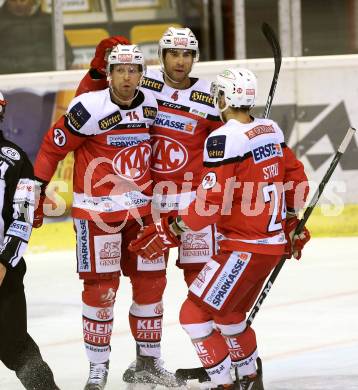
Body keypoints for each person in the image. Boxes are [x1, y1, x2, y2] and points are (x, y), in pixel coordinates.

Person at [129, 68, 311, 389]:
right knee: (230, 317)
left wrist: (173, 229)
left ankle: (223, 384)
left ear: (225, 97)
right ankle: (250, 379)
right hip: (269, 246)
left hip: (242, 248)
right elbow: (297, 181)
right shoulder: (270, 128)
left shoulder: (224, 138)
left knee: (192, 314)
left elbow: (210, 202)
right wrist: (293, 222)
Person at [75, 27, 223, 386]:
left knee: (206, 283)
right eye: (173, 53)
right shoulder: (142, 80)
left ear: (195, 58)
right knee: (138, 285)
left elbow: (227, 143)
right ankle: (130, 364)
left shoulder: (210, 94)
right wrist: (97, 67)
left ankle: (226, 355)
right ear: (160, 55)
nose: (180, 60)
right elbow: (92, 101)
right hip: (150, 208)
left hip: (192, 206)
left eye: (187, 54)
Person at [32, 43, 184, 390]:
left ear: (142, 75)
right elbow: (51, 147)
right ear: (109, 73)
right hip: (97, 215)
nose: (128, 77)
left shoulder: (150, 104)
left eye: (134, 71)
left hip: (143, 213)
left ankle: (147, 362)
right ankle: (97, 369)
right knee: (101, 290)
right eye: (120, 70)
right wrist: (37, 189)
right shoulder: (87, 107)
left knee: (152, 285)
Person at [0, 92, 59, 390]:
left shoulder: (15, 160)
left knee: (15, 345)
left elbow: (22, 220)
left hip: (3, 273)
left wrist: (2, 264)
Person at [0, 0, 73, 74]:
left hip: (49, 77)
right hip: (10, 79)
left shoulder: (49, 20)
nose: (18, 3)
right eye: (13, 0)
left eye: (23, 0)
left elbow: (67, 54)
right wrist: (22, 66)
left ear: (33, 1)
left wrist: (43, 65)